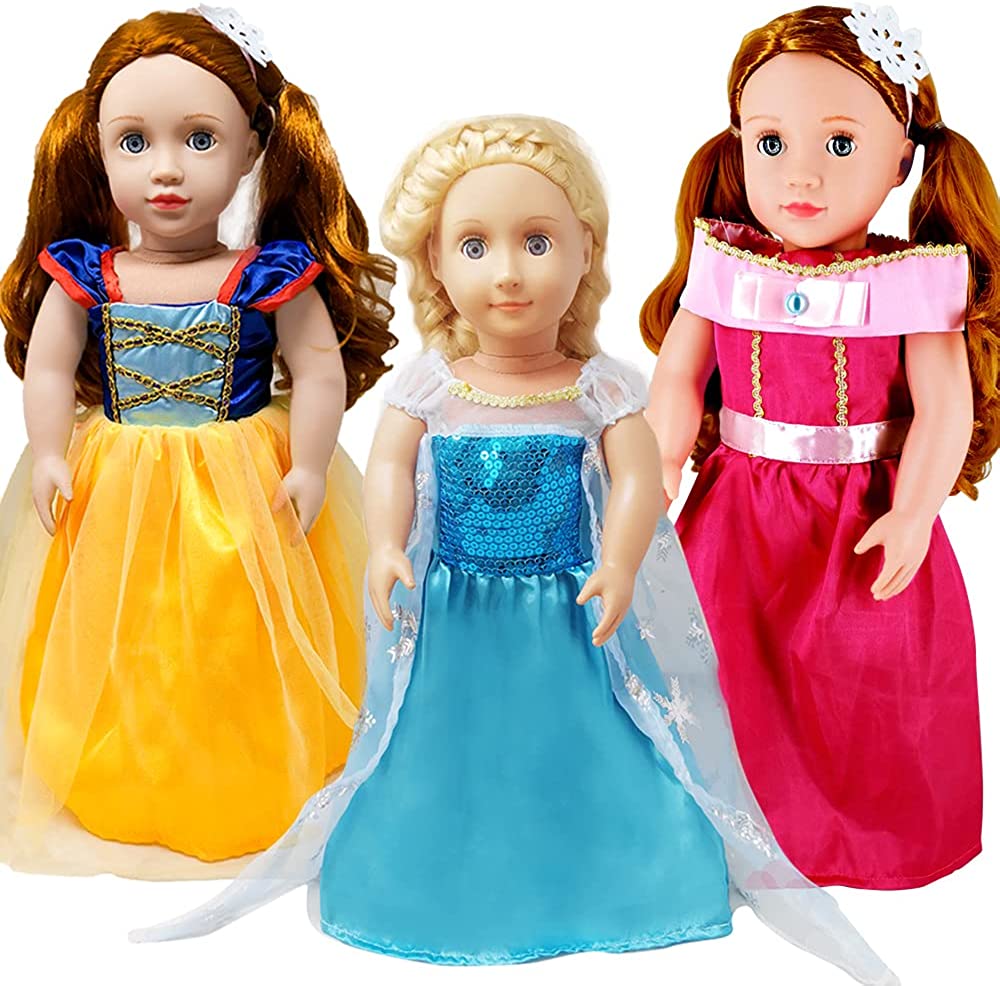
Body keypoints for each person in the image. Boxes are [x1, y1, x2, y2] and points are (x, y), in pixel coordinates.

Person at [0, 6, 394, 876]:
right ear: (96, 149)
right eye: (134, 142)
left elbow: (317, 370)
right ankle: (121, 769)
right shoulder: (87, 272)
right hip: (115, 483)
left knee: (233, 631)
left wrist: (311, 464)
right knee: (120, 628)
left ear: (253, 148)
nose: (167, 169)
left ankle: (236, 768)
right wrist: (53, 451)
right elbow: (49, 370)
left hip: (241, 481)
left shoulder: (265, 274)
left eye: (200, 139)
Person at [641, 4, 998, 889]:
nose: (800, 173)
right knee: (726, 665)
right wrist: (656, 470)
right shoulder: (726, 264)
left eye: (840, 144)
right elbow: (679, 378)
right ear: (738, 145)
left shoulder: (915, 281)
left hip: (862, 515)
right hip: (736, 514)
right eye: (771, 142)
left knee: (863, 678)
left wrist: (913, 511)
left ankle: (862, 839)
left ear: (903, 158)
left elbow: (943, 407)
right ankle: (729, 832)